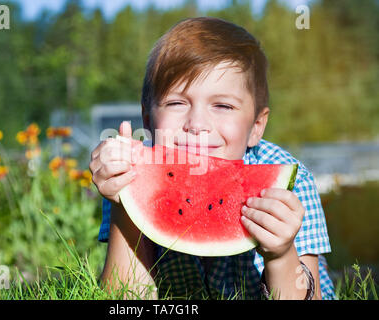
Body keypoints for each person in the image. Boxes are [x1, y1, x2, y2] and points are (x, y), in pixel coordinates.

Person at [89, 17, 335, 300]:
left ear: (256, 126)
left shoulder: (291, 182)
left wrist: (281, 255)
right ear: (147, 119)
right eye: (176, 103)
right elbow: (124, 299)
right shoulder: (131, 173)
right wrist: (125, 204)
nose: (197, 124)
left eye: (222, 105)